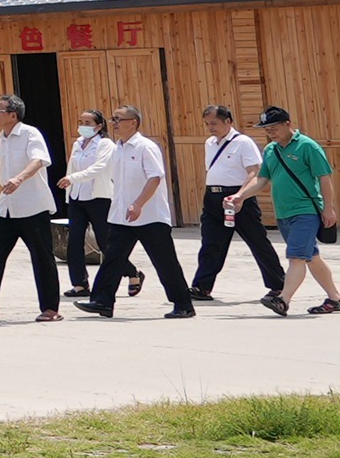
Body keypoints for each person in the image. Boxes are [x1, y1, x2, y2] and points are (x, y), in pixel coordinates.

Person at [84, 103, 191, 319]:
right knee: (113, 258)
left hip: (149, 216)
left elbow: (155, 177)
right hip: (123, 216)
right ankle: (102, 301)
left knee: (165, 261)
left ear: (133, 122)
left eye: (118, 119)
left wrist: (139, 203)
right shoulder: (118, 148)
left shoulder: (145, 147)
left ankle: (183, 304)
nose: (113, 123)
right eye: (112, 119)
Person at [0, 93, 61, 321]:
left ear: (13, 115)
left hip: (32, 206)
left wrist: (19, 178)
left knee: (42, 257)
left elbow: (39, 160)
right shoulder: (3, 137)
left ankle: (50, 309)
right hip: (7, 207)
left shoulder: (30, 133)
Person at [189, 104, 285, 303]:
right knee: (210, 243)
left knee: (257, 241)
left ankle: (279, 285)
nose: (210, 128)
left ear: (228, 121)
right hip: (213, 198)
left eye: (214, 123)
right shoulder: (209, 143)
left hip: (239, 197)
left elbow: (254, 172)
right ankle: (202, 286)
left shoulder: (243, 142)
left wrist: (240, 195)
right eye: (207, 124)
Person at [256, 106, 340, 317]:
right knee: (311, 256)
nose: (270, 132)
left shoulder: (307, 146)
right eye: (266, 129)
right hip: (283, 213)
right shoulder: (270, 150)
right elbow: (262, 179)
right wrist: (239, 196)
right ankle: (335, 298)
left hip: (306, 211)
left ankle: (283, 300)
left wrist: (328, 209)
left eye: (274, 127)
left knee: (297, 257)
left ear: (287, 124)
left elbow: (324, 177)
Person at [60, 106, 117, 300]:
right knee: (74, 241)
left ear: (99, 126)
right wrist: (70, 189)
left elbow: (99, 168)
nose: (83, 126)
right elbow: (71, 166)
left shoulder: (105, 144)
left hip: (98, 198)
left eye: (88, 123)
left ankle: (131, 273)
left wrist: (73, 178)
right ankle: (79, 284)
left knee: (104, 241)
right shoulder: (78, 143)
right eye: (81, 122)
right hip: (77, 197)